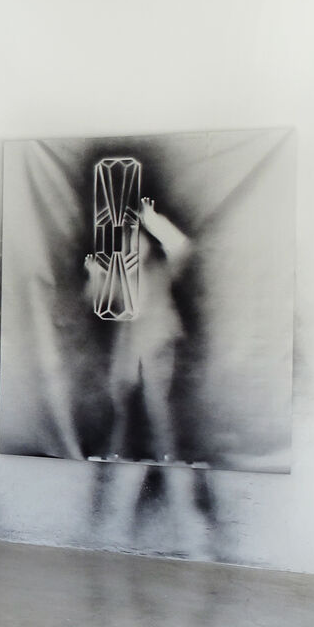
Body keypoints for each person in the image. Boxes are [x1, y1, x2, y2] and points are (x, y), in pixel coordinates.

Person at [86, 196, 191, 462]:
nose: (134, 247)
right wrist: (94, 275)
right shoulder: (120, 279)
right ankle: (116, 455)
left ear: (147, 246)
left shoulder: (161, 270)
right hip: (130, 347)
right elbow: (94, 299)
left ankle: (166, 459)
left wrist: (152, 221)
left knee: (157, 406)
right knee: (119, 400)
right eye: (129, 244)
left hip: (158, 342)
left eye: (138, 241)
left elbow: (182, 247)